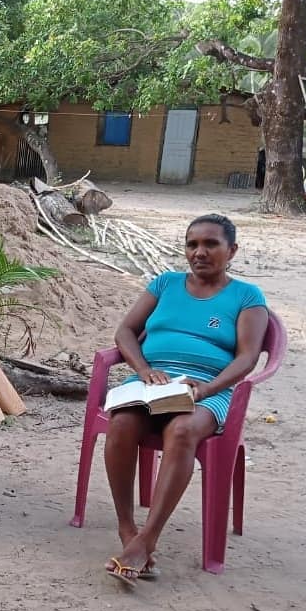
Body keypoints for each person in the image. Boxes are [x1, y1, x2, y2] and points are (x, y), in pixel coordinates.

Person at [103, 214, 269, 584]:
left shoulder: (246, 296)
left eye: (211, 244)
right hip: (153, 382)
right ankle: (127, 530)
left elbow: (247, 357)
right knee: (122, 423)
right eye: (192, 244)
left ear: (232, 251)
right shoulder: (165, 283)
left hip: (207, 389)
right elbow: (126, 331)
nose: (199, 252)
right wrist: (144, 370)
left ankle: (148, 538)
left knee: (180, 431)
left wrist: (207, 389)